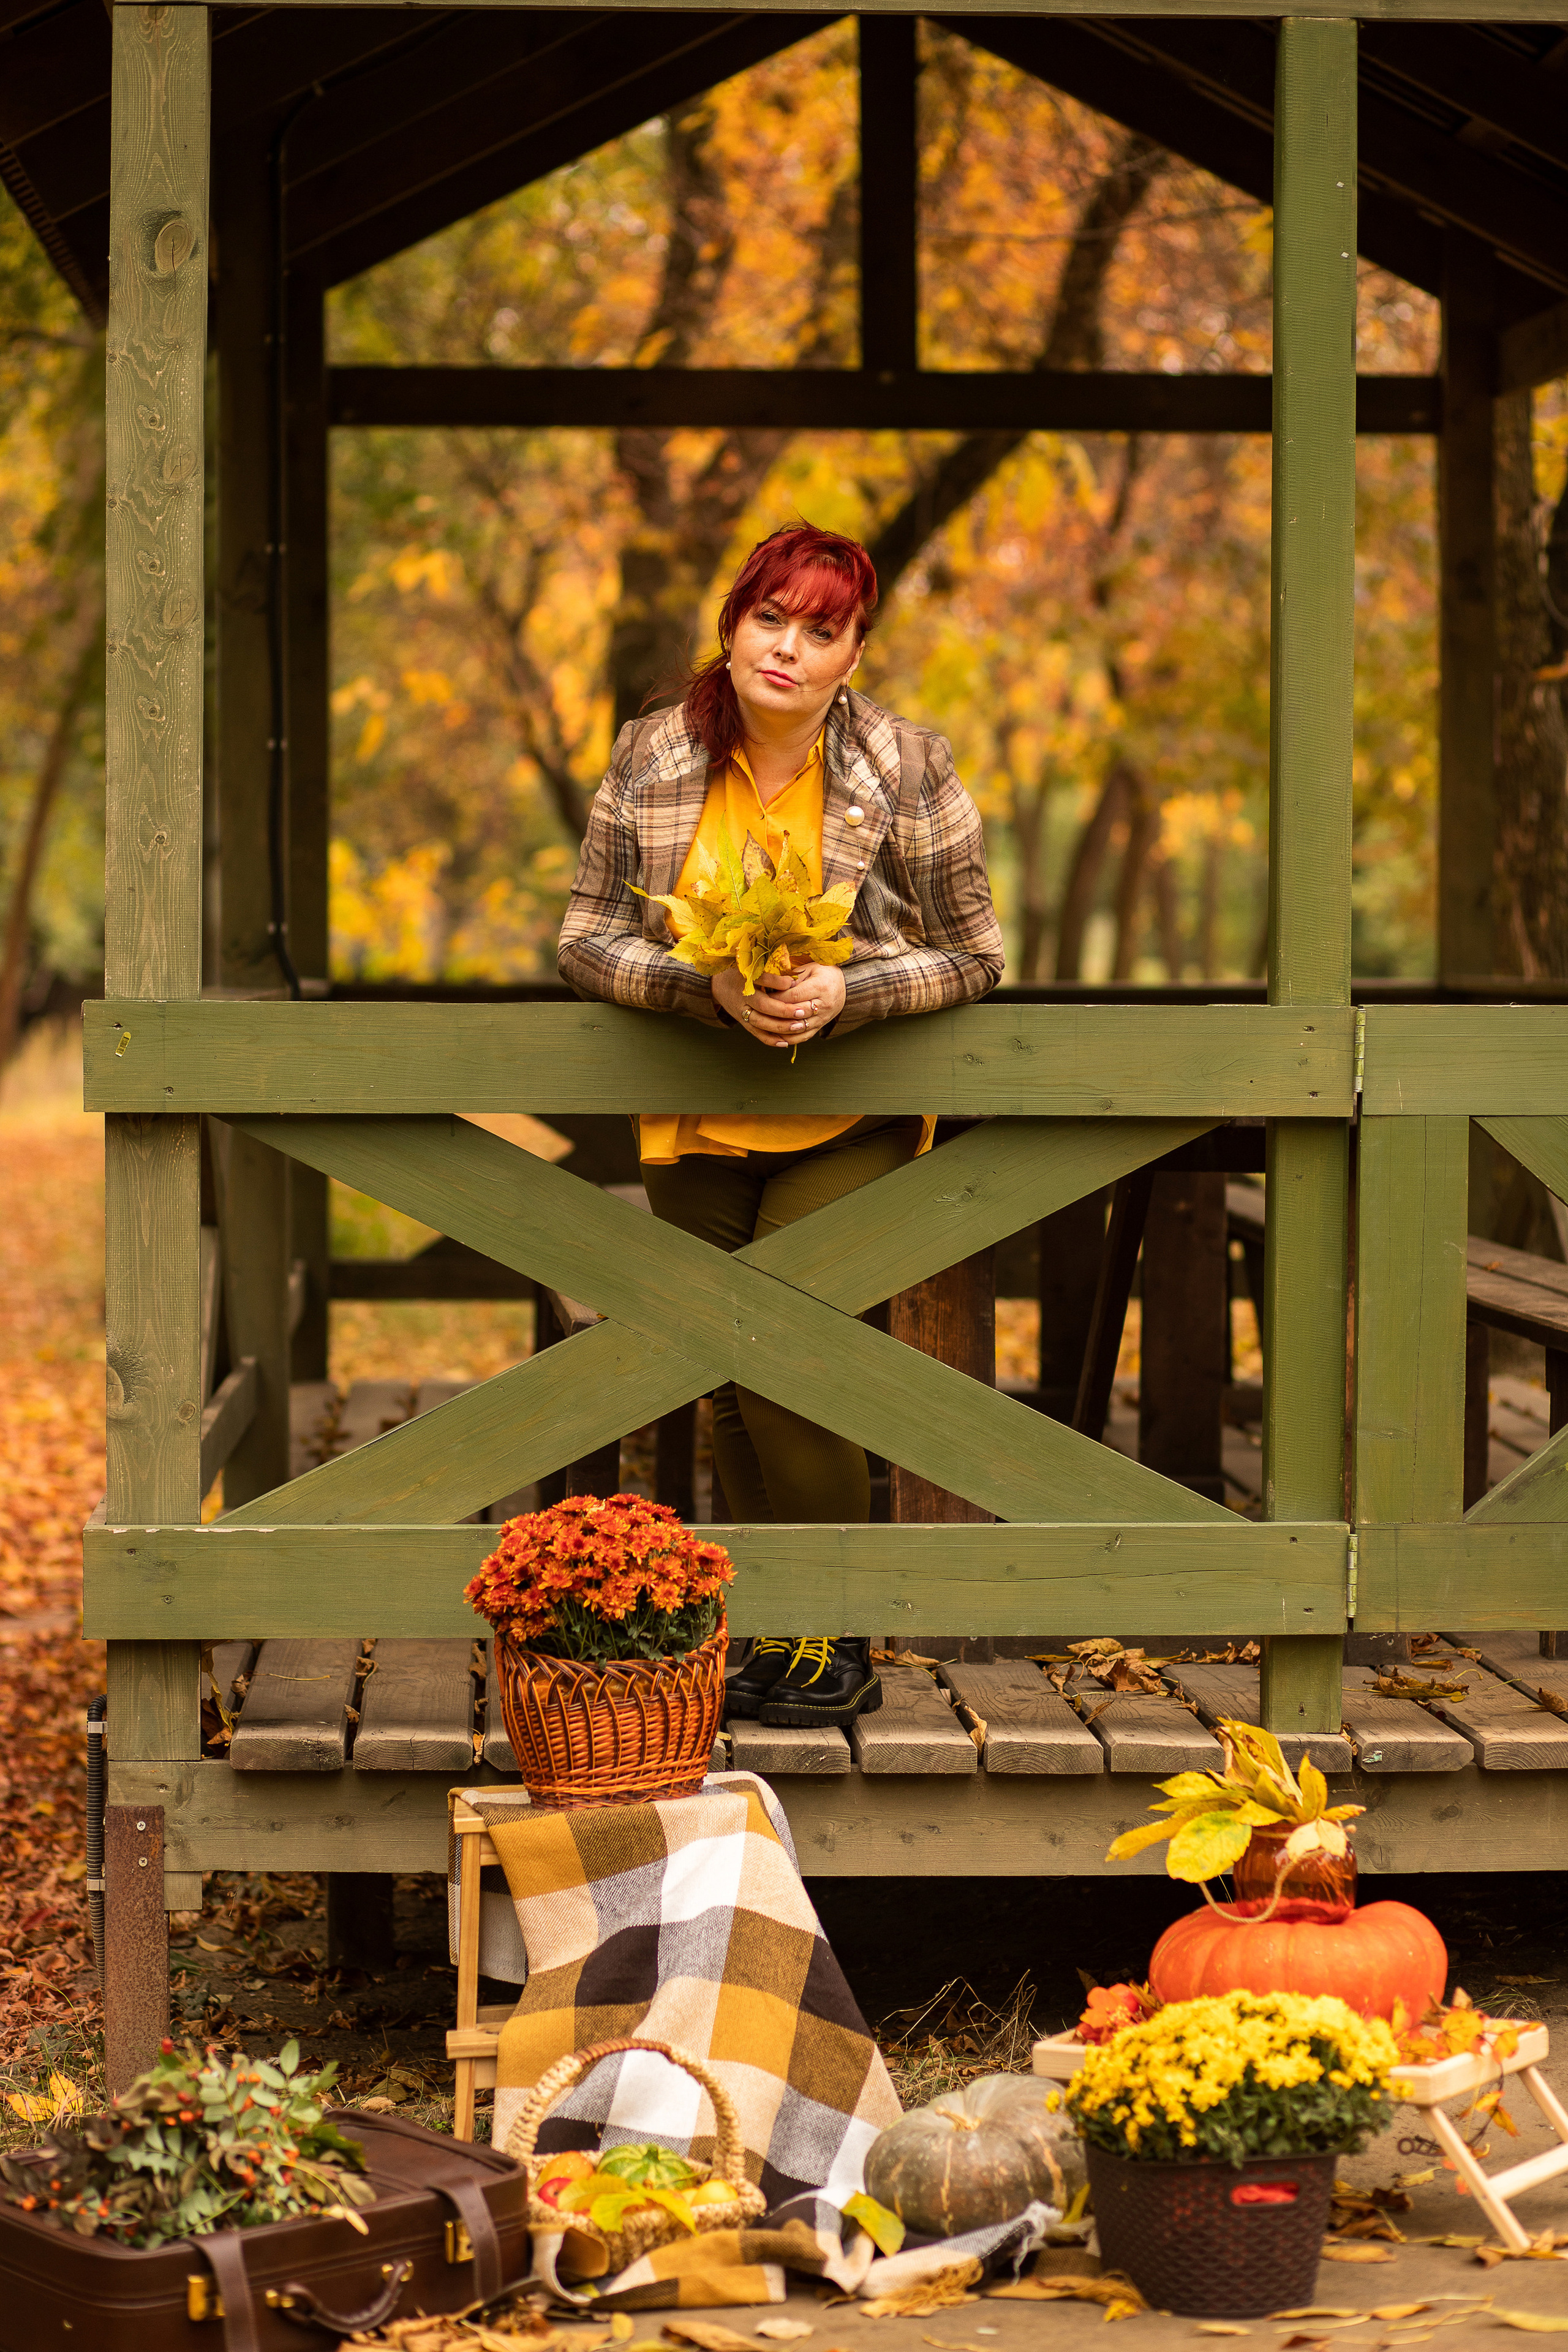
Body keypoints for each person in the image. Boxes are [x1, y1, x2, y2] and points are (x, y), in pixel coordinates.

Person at [559, 522, 1004, 1728]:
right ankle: (763, 1634)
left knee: (792, 1359)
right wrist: (690, 988)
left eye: (820, 631)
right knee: (723, 1375)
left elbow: (975, 953)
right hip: (693, 1108)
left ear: (853, 653)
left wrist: (846, 992)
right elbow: (585, 934)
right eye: (771, 619)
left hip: (842, 1110)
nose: (788, 649)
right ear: (732, 621)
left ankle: (831, 1631)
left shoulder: (906, 763)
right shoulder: (653, 751)